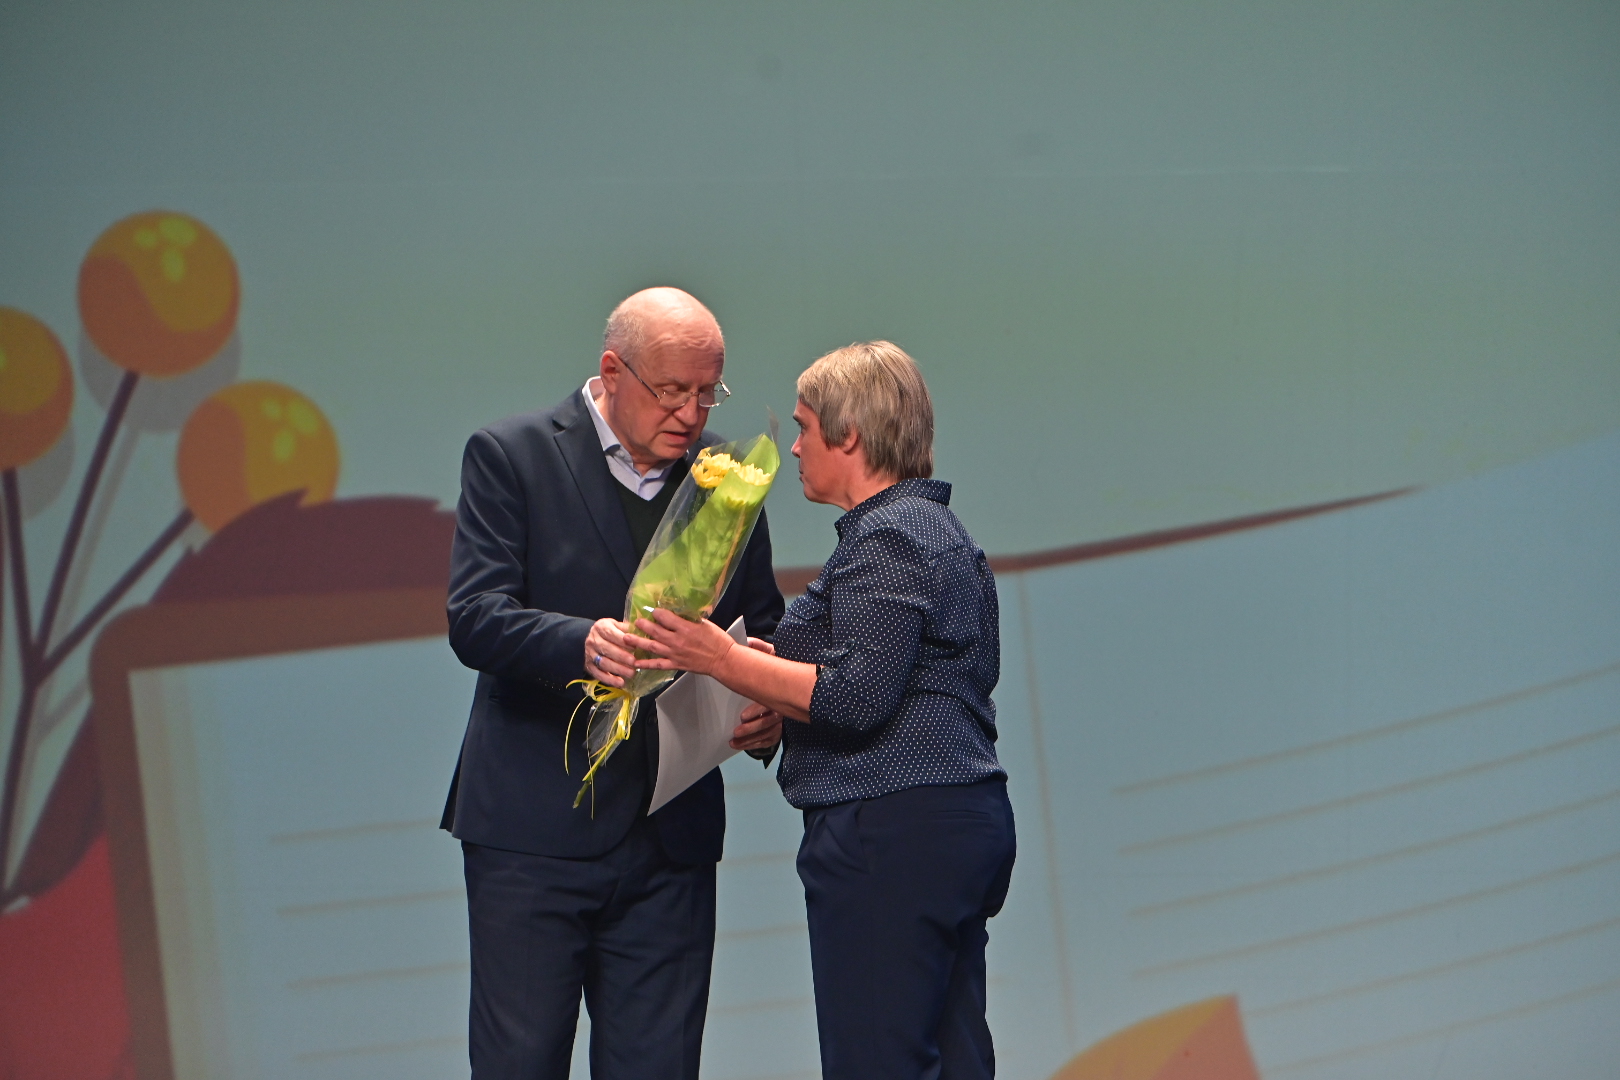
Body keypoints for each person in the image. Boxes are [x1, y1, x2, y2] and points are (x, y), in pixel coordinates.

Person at [628, 341, 1015, 1080]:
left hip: (890, 828)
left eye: (804, 428)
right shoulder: (937, 531)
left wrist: (718, 658)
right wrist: (763, 682)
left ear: (850, 436)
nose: (796, 448)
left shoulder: (891, 535)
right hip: (951, 822)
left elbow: (853, 696)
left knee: (876, 1060)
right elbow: (911, 677)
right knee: (954, 1055)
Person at [441, 286, 786, 1080]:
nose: (692, 414)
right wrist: (580, 643)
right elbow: (476, 617)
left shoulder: (727, 481)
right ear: (611, 370)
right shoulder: (512, 455)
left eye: (708, 393)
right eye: (672, 391)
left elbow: (759, 625)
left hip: (670, 841)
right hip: (534, 837)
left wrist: (766, 711)